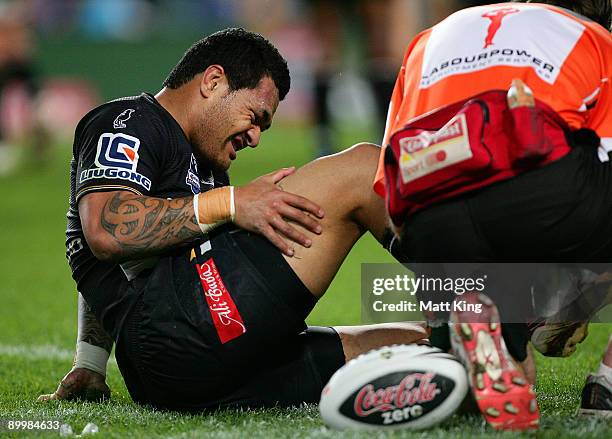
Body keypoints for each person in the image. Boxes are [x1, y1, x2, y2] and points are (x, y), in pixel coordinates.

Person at [38, 28, 428, 410]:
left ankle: (480, 359)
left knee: (423, 349)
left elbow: (108, 255)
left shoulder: (204, 163)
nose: (256, 137)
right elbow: (107, 230)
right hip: (179, 328)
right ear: (213, 81)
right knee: (362, 168)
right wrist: (230, 203)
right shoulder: (129, 121)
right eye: (255, 116)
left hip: (189, 364)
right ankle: (477, 295)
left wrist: (89, 362)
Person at [374, 0, 611, 430]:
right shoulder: (595, 40)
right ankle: (605, 386)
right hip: (533, 199)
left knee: (513, 380)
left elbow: (390, 187)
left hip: (432, 221)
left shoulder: (428, 40)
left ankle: (476, 330)